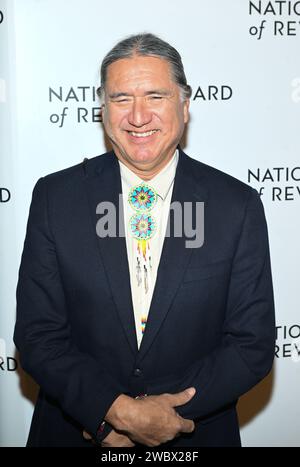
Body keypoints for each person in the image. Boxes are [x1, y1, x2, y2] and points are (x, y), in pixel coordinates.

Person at [14, 33, 275, 448]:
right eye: (121, 98)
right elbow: (38, 334)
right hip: (77, 433)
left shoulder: (235, 205)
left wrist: (159, 417)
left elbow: (251, 344)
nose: (138, 116)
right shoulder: (55, 198)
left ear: (184, 106)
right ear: (102, 109)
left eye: (155, 96)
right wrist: (111, 412)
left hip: (191, 436)